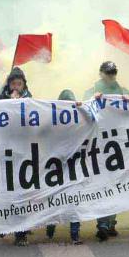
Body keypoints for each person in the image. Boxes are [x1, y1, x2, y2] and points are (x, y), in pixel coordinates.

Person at [84, 61, 129, 241]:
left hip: (119, 144)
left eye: (113, 72)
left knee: (116, 184)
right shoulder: (92, 91)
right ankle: (103, 224)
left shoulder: (123, 92)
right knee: (103, 183)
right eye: (107, 72)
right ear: (101, 73)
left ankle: (111, 222)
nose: (110, 75)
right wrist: (93, 100)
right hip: (100, 144)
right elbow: (83, 110)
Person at [0, 67, 33, 246]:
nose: (16, 87)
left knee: (22, 191)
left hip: (23, 152)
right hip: (4, 151)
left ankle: (21, 231)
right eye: (13, 84)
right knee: (5, 190)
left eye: (19, 84)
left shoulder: (30, 99)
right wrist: (5, 101)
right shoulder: (1, 99)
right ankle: (4, 224)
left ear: (24, 84)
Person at [45, 89, 84, 245]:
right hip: (56, 167)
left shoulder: (78, 118)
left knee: (72, 201)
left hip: (70, 166)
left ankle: (73, 234)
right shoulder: (52, 120)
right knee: (56, 199)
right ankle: (51, 229)